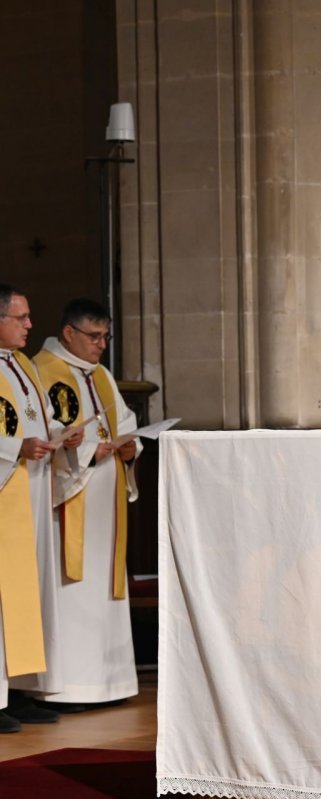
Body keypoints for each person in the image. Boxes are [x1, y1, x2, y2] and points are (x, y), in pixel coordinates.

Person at [33, 298, 140, 709]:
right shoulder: (43, 371)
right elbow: (45, 433)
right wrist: (90, 451)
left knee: (101, 590)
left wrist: (131, 450)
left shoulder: (102, 376)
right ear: (69, 334)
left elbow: (126, 423)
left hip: (104, 510)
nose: (101, 345)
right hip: (68, 505)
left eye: (105, 337)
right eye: (94, 336)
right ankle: (68, 686)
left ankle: (106, 684)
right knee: (71, 589)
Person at [0, 285, 78, 732]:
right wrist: (14, 447)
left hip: (32, 491)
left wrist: (66, 433)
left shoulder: (22, 364)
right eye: (20, 317)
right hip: (6, 492)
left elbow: (43, 414)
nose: (30, 325)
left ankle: (21, 690)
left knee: (31, 592)